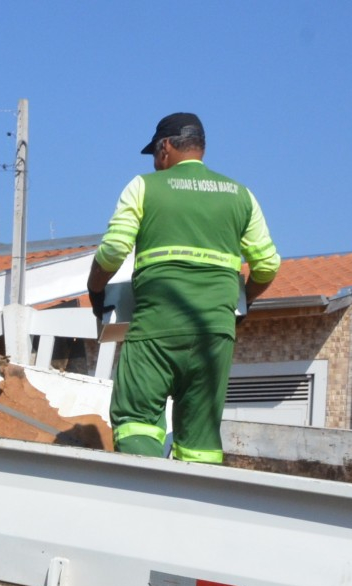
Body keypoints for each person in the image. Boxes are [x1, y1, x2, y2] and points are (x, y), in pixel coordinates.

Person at [85, 112, 281, 463]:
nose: (157, 164)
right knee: (201, 440)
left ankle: (144, 502)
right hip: (215, 334)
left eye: (156, 156)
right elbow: (267, 265)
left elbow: (114, 250)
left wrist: (95, 289)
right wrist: (240, 303)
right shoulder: (241, 195)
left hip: (156, 327)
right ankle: (195, 510)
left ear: (165, 148)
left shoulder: (144, 187)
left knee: (136, 421)